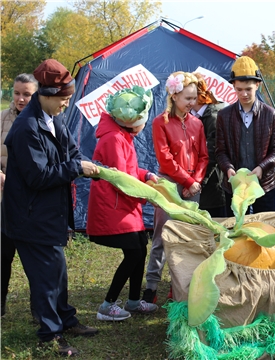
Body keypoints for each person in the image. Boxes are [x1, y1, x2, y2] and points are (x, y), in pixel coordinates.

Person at [0, 59, 99, 356]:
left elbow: (71, 151)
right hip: (29, 217)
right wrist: (74, 168)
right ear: (47, 94)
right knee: (45, 279)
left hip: (50, 213)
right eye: (64, 99)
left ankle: (67, 320)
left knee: (58, 272)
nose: (66, 105)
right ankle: (50, 335)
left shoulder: (53, 119)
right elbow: (38, 176)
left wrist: (86, 164)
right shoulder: (26, 128)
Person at [87, 85, 159, 321]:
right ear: (132, 122)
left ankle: (134, 300)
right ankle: (107, 305)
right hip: (114, 207)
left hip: (125, 206)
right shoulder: (114, 139)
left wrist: (146, 174)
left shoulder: (121, 136)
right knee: (133, 253)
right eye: (142, 123)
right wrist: (148, 195)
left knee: (139, 247)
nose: (143, 127)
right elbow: (122, 181)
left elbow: (128, 169)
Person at [142, 71, 209, 304]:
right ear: (174, 96)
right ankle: (151, 286)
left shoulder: (197, 123)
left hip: (193, 187)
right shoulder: (160, 122)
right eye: (188, 98)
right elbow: (165, 158)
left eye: (194, 98)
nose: (192, 103)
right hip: (170, 185)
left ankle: (178, 286)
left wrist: (196, 182)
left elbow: (203, 156)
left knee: (188, 238)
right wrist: (188, 182)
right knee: (162, 235)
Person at [215, 56, 275, 216]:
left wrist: (262, 168)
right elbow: (220, 151)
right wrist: (228, 169)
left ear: (257, 85)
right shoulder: (223, 115)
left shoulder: (271, 115)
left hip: (264, 185)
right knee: (237, 232)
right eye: (239, 89)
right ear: (233, 86)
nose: (244, 94)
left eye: (248, 89)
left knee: (264, 228)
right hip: (235, 186)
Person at [1, 73, 38, 317]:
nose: (20, 99)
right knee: (3, 255)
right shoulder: (3, 118)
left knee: (35, 259)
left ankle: (40, 310)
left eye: (27, 94)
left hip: (31, 202)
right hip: (4, 200)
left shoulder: (40, 120)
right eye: (17, 93)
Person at [192, 73, 227, 218]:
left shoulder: (213, 117)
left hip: (211, 184)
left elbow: (212, 153)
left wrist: (199, 181)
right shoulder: (190, 115)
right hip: (195, 182)